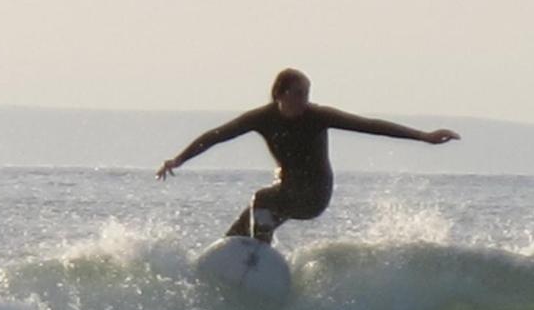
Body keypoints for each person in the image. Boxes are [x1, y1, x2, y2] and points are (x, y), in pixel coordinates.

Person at [156, 68, 460, 243]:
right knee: (240, 229)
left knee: (262, 200)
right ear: (281, 94)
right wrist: (178, 160)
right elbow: (216, 136)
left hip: (315, 195)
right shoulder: (262, 118)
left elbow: (370, 125)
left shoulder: (317, 116)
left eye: (307, 93)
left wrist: (423, 136)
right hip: (287, 190)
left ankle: (259, 256)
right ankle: (235, 257)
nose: (305, 100)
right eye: (299, 93)